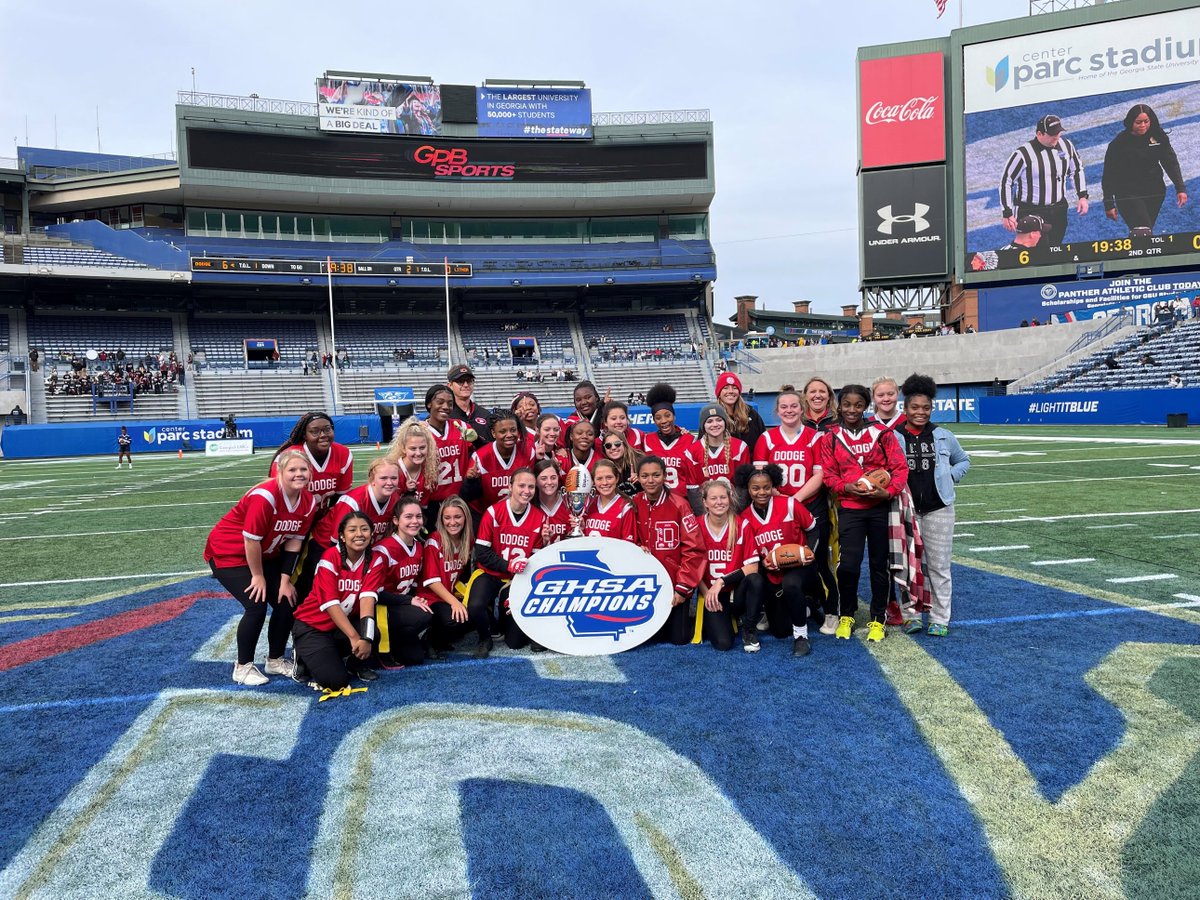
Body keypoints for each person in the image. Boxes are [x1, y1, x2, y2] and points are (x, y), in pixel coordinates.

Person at [204, 449, 318, 685]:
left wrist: (285, 580)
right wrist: (257, 576)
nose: (299, 474)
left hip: (265, 554)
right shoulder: (265, 496)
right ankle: (243, 666)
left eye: (303, 469)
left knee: (287, 599)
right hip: (229, 552)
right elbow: (251, 540)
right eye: (293, 470)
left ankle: (275, 660)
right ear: (280, 472)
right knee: (255, 605)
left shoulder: (308, 501)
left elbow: (294, 542)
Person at [816, 385, 909, 644]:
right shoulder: (830, 436)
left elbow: (899, 468)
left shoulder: (883, 433)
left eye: (858, 405)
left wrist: (887, 492)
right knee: (848, 566)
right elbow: (828, 473)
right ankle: (847, 614)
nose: (852, 410)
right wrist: (845, 487)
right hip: (850, 509)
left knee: (880, 566)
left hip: (879, 509)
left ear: (866, 406)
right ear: (839, 406)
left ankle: (878, 618)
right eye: (847, 404)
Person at [753, 386, 836, 631]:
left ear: (802, 408)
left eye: (794, 406)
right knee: (773, 559)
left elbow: (819, 475)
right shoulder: (766, 438)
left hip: (810, 506)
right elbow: (761, 475)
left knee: (817, 560)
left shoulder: (815, 437)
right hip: (776, 509)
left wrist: (794, 499)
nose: (789, 410)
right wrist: (779, 498)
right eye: (784, 407)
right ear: (777, 411)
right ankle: (773, 607)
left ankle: (831, 609)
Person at [895, 375, 970, 637]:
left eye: (925, 408)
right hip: (905, 510)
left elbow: (963, 460)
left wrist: (951, 476)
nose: (920, 412)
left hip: (939, 509)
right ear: (905, 409)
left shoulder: (943, 435)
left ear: (931, 408)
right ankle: (911, 615)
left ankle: (940, 617)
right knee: (906, 567)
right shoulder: (893, 436)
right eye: (915, 407)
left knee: (938, 565)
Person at [734, 463, 819, 657]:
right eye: (755, 488)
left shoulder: (789, 504)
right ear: (748, 489)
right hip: (773, 573)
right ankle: (807, 605)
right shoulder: (745, 519)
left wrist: (809, 551)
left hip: (801, 567)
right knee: (780, 631)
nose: (761, 492)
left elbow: (814, 529)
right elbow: (751, 556)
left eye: (766, 487)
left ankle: (801, 637)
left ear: (774, 485)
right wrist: (763, 565)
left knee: (791, 583)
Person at [270, 412, 355, 601]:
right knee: (287, 572)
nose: (323, 435)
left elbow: (341, 499)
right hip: (291, 521)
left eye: (327, 429)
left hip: (323, 521)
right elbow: (279, 498)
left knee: (317, 566)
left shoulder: (343, 453)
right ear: (304, 435)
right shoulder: (289, 457)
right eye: (315, 431)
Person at [290, 511, 377, 691]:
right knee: (336, 682)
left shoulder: (375, 559)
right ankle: (302, 653)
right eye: (352, 530)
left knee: (372, 632)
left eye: (364, 529)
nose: (359, 534)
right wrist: (354, 637)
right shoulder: (330, 557)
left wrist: (365, 638)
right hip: (314, 626)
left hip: (339, 626)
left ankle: (352, 663)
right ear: (342, 537)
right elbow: (331, 604)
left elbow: (368, 600)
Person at [466, 469, 546, 657]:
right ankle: (484, 638)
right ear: (510, 487)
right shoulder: (494, 512)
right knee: (475, 606)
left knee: (515, 642)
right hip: (489, 573)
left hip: (516, 580)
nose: (526, 491)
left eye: (531, 487)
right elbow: (482, 552)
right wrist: (507, 566)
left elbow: (534, 559)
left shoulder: (539, 517)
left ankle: (502, 622)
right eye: (521, 485)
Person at [631, 455, 706, 645]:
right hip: (645, 584)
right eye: (645, 476)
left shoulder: (679, 504)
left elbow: (695, 549)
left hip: (674, 583)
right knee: (647, 638)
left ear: (665, 476)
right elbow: (629, 537)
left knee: (678, 639)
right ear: (638, 478)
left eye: (656, 475)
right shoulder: (634, 503)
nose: (650, 481)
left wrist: (682, 588)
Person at [360, 495, 435, 668]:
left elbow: (414, 582)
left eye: (418, 517)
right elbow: (374, 593)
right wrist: (410, 600)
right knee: (423, 615)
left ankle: (394, 642)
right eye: (408, 517)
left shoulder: (418, 546)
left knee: (415, 658)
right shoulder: (383, 550)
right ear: (396, 520)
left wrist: (417, 598)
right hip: (380, 608)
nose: (415, 521)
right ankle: (380, 646)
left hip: (399, 605)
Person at [998, 114, 1089, 246]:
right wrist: (1007, 212)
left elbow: (1076, 170)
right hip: (1031, 210)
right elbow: (1006, 181)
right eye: (1052, 134)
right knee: (1035, 252)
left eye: (1058, 133)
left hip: (1058, 208)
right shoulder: (1022, 154)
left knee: (1055, 247)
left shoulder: (1066, 146)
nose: (1056, 137)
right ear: (1039, 134)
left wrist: (1082, 196)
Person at [694, 478, 762, 652]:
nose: (719, 502)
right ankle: (727, 619)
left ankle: (749, 629)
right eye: (714, 498)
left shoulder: (742, 525)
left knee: (755, 580)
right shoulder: (696, 526)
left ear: (730, 499)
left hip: (736, 592)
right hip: (713, 595)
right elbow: (693, 567)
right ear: (705, 502)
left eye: (723, 497)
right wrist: (706, 592)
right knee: (723, 644)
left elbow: (753, 567)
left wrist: (721, 581)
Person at [1102, 104, 1187, 235]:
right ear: (1130, 122)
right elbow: (1109, 174)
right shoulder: (1118, 144)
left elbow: (1170, 163)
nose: (1143, 125)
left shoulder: (1159, 138)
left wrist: (1180, 188)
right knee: (1142, 232)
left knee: (1144, 231)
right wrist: (1109, 203)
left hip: (1155, 192)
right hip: (1127, 193)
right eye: (1138, 122)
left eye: (1146, 122)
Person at [419, 496, 474, 658]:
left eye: (457, 517)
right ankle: (430, 638)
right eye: (447, 518)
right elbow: (432, 582)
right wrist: (455, 603)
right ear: (441, 520)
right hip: (431, 597)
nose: (452, 522)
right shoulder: (434, 541)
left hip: (449, 595)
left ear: (465, 518)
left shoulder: (467, 540)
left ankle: (442, 636)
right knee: (454, 620)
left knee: (475, 615)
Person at [463, 410, 536, 521]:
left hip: (518, 514)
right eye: (503, 431)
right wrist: (471, 481)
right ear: (493, 433)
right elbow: (468, 496)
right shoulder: (480, 457)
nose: (509, 435)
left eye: (513, 430)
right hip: (484, 516)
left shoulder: (528, 452)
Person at [422, 384, 475, 529]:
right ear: (429, 404)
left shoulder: (461, 427)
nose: (445, 406)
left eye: (450, 404)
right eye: (440, 402)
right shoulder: (420, 432)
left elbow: (479, 452)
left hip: (460, 499)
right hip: (432, 502)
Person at [684, 404, 748, 512]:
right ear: (703, 426)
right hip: (707, 510)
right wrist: (704, 515)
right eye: (709, 421)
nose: (715, 424)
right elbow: (693, 489)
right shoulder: (692, 451)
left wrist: (735, 512)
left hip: (733, 508)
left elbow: (742, 487)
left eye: (719, 420)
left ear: (725, 422)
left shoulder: (740, 447)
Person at [642, 383, 696, 498]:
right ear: (654, 420)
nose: (663, 421)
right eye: (658, 418)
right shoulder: (647, 440)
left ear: (674, 416)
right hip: (655, 499)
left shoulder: (689, 440)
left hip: (683, 501)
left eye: (667, 415)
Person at [580, 459, 637, 541]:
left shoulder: (626, 507)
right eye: (599, 479)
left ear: (617, 478)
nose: (605, 483)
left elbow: (629, 544)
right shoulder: (588, 504)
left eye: (609, 477)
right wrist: (582, 529)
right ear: (593, 482)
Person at [386, 417, 438, 506]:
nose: (418, 453)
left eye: (422, 448)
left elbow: (423, 507)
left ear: (428, 447)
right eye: (413, 448)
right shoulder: (393, 470)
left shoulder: (429, 471)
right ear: (403, 448)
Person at [715, 372, 765, 451]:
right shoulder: (712, 416)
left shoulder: (751, 414)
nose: (731, 391)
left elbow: (764, 441)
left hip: (751, 462)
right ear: (719, 393)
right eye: (726, 388)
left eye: (734, 387)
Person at [447, 363, 492, 446]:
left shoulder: (485, 414)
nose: (466, 385)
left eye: (469, 381)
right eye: (460, 381)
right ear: (450, 385)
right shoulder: (445, 415)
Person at [533, 459, 572, 543]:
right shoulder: (530, 507)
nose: (549, 482)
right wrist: (543, 542)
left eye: (553, 478)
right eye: (544, 479)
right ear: (535, 481)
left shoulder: (570, 504)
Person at [600, 428, 643, 498]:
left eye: (617, 444)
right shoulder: (604, 468)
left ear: (624, 444)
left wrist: (643, 479)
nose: (613, 448)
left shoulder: (640, 461)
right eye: (608, 446)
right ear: (604, 450)